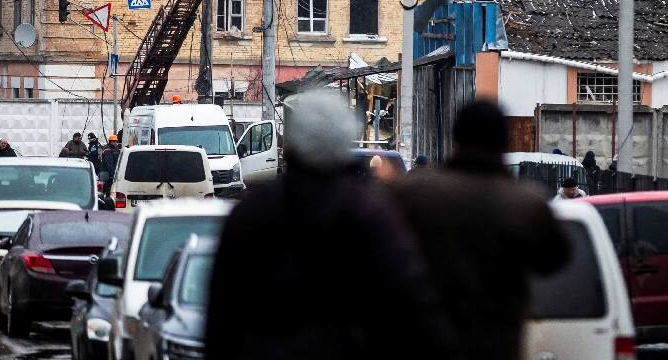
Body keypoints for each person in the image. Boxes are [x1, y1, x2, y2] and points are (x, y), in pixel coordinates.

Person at [205, 90, 456, 360]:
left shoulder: (252, 214)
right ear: (342, 143)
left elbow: (222, 316)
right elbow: (412, 303)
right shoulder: (370, 215)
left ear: (291, 146)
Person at [392, 100, 570, 360]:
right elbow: (554, 259)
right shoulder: (524, 204)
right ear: (503, 142)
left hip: (422, 341)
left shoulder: (412, 195)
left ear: (456, 138)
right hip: (494, 344)